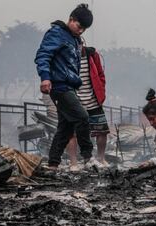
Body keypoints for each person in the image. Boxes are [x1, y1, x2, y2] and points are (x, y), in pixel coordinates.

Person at [35, 4, 101, 171]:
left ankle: (53, 164)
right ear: (71, 19)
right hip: (59, 86)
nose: (81, 31)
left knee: (65, 127)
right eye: (79, 27)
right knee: (82, 117)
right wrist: (45, 78)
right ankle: (88, 157)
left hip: (70, 86)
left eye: (84, 29)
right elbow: (43, 55)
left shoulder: (75, 39)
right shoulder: (56, 33)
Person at [66, 45, 110, 172]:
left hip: (93, 101)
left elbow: (100, 74)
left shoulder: (92, 54)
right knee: (72, 133)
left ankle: (101, 158)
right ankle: (73, 163)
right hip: (75, 102)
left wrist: (101, 90)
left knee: (102, 131)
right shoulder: (67, 55)